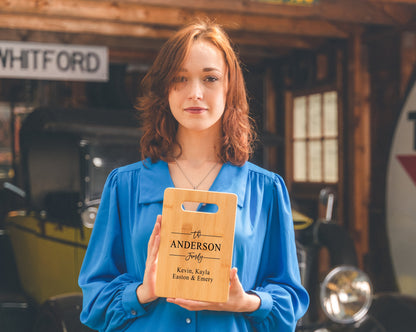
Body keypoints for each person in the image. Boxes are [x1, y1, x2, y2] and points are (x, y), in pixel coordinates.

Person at [78, 19, 309, 332]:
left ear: (230, 88)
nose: (195, 93)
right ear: (165, 90)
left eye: (210, 78)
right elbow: (94, 305)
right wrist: (143, 292)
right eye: (180, 79)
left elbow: (289, 305)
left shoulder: (265, 190)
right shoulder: (124, 186)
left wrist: (246, 302)